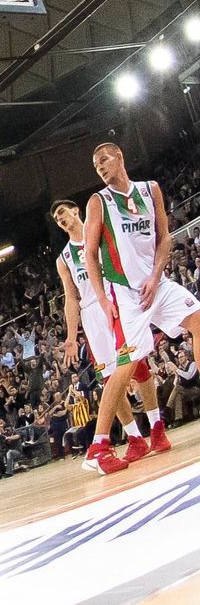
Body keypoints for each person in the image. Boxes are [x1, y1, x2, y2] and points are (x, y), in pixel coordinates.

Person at [83, 143, 195, 474]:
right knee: (126, 363)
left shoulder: (150, 190)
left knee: (198, 319)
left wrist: (156, 274)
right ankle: (98, 446)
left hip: (154, 284)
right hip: (123, 293)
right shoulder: (98, 201)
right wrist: (103, 299)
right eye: (94, 163)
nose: (99, 166)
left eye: (103, 159)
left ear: (120, 157)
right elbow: (90, 254)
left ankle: (151, 431)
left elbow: (165, 238)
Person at [51, 198, 169, 473]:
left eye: (62, 212)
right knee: (109, 380)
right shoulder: (64, 258)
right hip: (92, 314)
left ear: (76, 210)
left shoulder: (101, 231)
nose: (61, 219)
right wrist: (71, 335)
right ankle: (135, 438)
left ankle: (157, 428)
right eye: (56, 218)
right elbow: (70, 297)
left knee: (138, 366)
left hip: (116, 300)